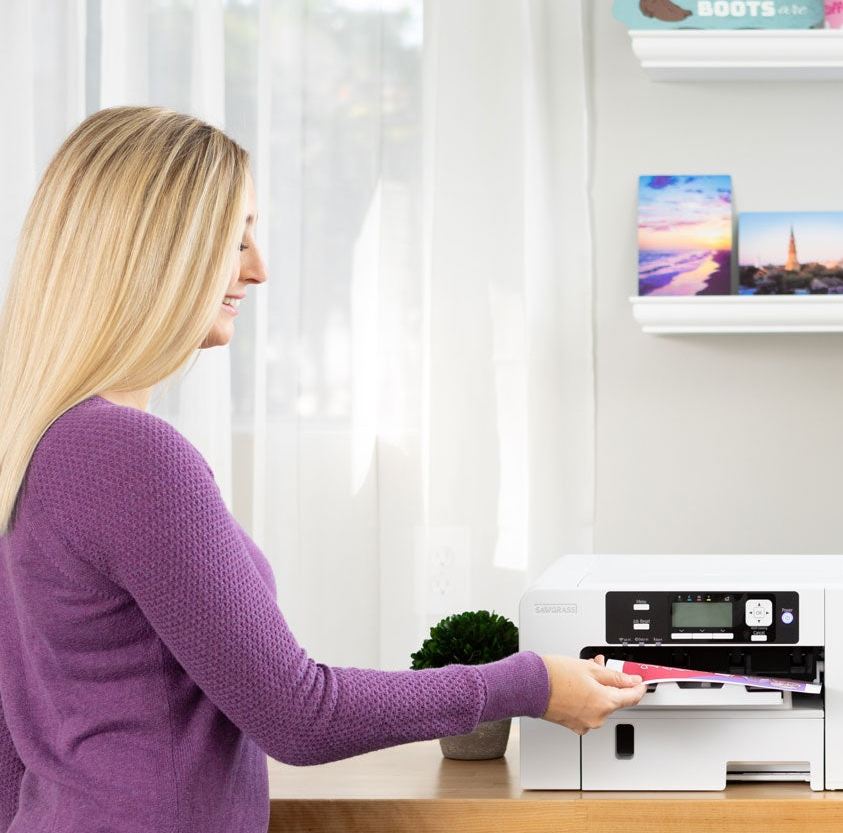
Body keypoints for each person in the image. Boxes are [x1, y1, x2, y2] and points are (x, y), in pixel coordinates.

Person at [0, 106, 645, 832]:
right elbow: (299, 715)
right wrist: (531, 683)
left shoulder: (33, 441)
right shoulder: (133, 457)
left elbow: (9, 742)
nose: (258, 267)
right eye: (236, 235)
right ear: (157, 248)